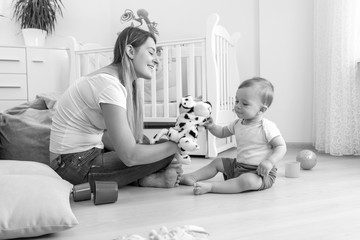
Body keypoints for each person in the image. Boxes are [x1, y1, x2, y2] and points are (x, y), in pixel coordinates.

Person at [49, 26, 182, 189]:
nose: (157, 60)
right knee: (164, 150)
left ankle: (144, 178)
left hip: (77, 157)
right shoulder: (109, 86)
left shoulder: (111, 80)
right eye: (151, 52)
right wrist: (177, 145)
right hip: (71, 167)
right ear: (130, 51)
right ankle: (142, 178)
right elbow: (129, 156)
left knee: (146, 143)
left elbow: (106, 136)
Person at [180, 77, 287, 195]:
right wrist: (211, 126)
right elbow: (221, 132)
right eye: (237, 101)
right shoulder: (237, 123)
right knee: (217, 162)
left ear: (261, 109)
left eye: (245, 103)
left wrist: (269, 162)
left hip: (260, 173)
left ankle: (212, 187)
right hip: (238, 166)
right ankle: (192, 177)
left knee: (248, 181)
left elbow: (281, 146)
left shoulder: (266, 126)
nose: (238, 106)